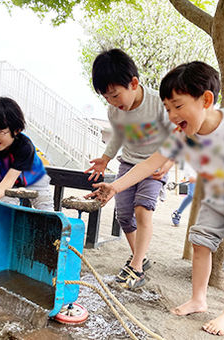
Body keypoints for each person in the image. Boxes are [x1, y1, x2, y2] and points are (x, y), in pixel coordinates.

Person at [87, 61, 224, 336]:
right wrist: (116, 187)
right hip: (216, 192)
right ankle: (199, 299)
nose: (172, 115)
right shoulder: (182, 135)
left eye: (178, 106)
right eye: (167, 109)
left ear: (206, 100)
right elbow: (150, 163)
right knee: (200, 241)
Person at [85, 49, 175, 290]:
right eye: (107, 98)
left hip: (155, 166)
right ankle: (140, 258)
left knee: (143, 209)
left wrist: (168, 163)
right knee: (124, 215)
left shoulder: (158, 104)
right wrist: (105, 159)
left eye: (115, 95)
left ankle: (135, 267)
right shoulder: (115, 111)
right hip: (129, 164)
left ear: (134, 83)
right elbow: (118, 136)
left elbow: (176, 138)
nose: (114, 103)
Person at [0, 96, 54, 222]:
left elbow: (9, 180)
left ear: (16, 130)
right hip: (6, 184)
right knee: (1, 212)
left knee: (46, 213)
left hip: (35, 181)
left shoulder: (25, 146)